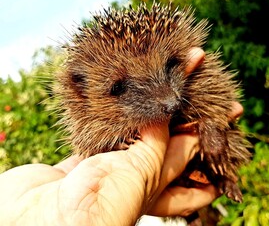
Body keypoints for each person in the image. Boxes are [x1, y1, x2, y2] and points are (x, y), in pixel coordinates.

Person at [0, 48, 243, 225]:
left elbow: (218, 103)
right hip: (169, 187)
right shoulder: (93, 123)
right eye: (121, 87)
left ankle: (223, 178)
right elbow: (92, 148)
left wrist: (211, 125)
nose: (170, 99)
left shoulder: (193, 81)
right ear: (81, 92)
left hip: (197, 165)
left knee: (221, 135)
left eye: (168, 66)